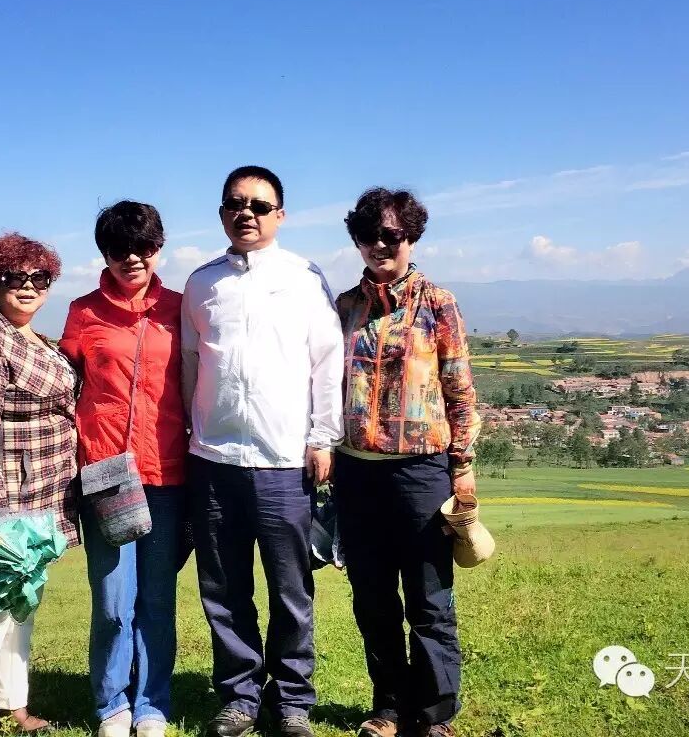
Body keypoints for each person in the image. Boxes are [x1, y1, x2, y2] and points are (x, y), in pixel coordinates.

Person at [181, 165, 344, 737]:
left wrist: (323, 436)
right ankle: (239, 697)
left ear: (280, 214)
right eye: (235, 203)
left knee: (290, 588)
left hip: (283, 460)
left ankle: (293, 699)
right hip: (214, 458)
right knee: (224, 589)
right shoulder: (202, 283)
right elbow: (191, 362)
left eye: (258, 204)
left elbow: (327, 361)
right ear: (221, 213)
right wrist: (191, 432)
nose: (245, 213)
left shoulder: (304, 277)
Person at [331, 188, 481, 737]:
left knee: (428, 597)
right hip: (355, 471)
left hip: (421, 471)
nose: (379, 245)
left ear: (411, 236)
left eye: (391, 235)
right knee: (372, 598)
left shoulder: (438, 303)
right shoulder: (344, 307)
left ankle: (435, 714)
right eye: (367, 235)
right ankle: (389, 708)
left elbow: (459, 387)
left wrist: (462, 465)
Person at [60, 201, 188, 737]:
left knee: (156, 599)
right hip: (107, 472)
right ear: (104, 253)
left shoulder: (180, 307)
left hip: (168, 473)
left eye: (144, 247)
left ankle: (151, 703)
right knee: (114, 601)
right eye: (118, 249)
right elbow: (65, 385)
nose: (132, 258)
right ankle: (111, 702)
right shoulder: (83, 313)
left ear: (158, 248)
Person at [0, 232, 80, 737]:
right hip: (6, 502)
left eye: (39, 278)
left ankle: (12, 704)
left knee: (22, 601)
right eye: (14, 277)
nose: (28, 286)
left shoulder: (32, 338)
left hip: (44, 495)